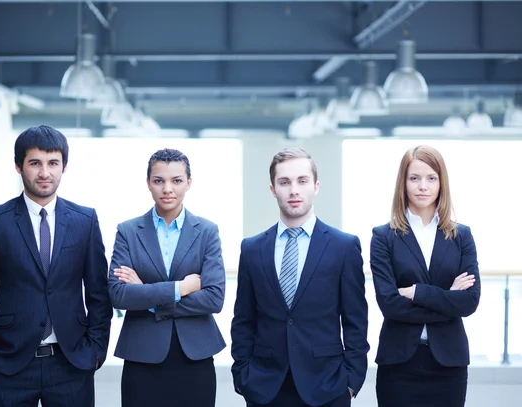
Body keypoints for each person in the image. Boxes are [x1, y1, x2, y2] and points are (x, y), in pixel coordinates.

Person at [0, 125, 112, 407]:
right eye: (35, 163)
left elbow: (98, 293)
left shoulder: (85, 221)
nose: (45, 172)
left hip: (71, 362)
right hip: (9, 365)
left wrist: (96, 350)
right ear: (19, 167)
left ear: (64, 167)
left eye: (53, 163)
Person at [231, 147, 369, 407]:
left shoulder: (344, 246)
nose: (294, 190)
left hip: (328, 387)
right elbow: (243, 320)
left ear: (315, 186)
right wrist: (243, 376)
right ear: (273, 189)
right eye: (284, 182)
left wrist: (351, 382)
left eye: (302, 181)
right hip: (265, 387)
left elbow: (356, 322)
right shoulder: (251, 249)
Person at [108, 148, 226, 407]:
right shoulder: (128, 231)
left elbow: (214, 299)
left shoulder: (206, 231)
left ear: (189, 183)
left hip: (194, 355)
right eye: (159, 180)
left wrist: (147, 295)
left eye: (176, 180)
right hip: (142, 355)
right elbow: (118, 294)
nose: (167, 189)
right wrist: (180, 288)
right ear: (148, 183)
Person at [370, 144, 480, 407]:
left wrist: (417, 292)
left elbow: (469, 301)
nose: (423, 186)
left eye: (431, 178)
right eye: (415, 178)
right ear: (403, 183)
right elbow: (389, 305)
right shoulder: (383, 237)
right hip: (399, 366)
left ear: (441, 183)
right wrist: (447, 299)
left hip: (449, 367)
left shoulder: (461, 235)